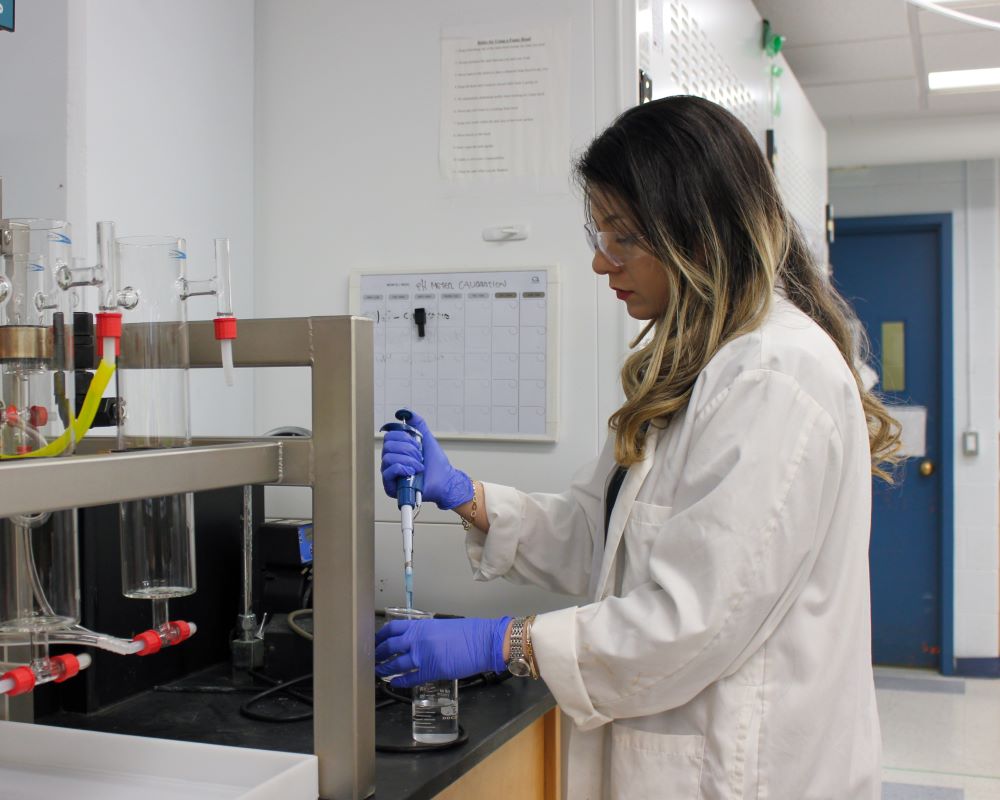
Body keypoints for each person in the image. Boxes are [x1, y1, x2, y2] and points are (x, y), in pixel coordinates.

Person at [376, 95, 899, 799]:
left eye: (622, 236)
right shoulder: (699, 366)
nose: (600, 262)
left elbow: (692, 623)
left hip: (746, 772)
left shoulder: (775, 378)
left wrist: (502, 643)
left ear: (696, 229)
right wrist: (465, 494)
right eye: (602, 233)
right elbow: (607, 542)